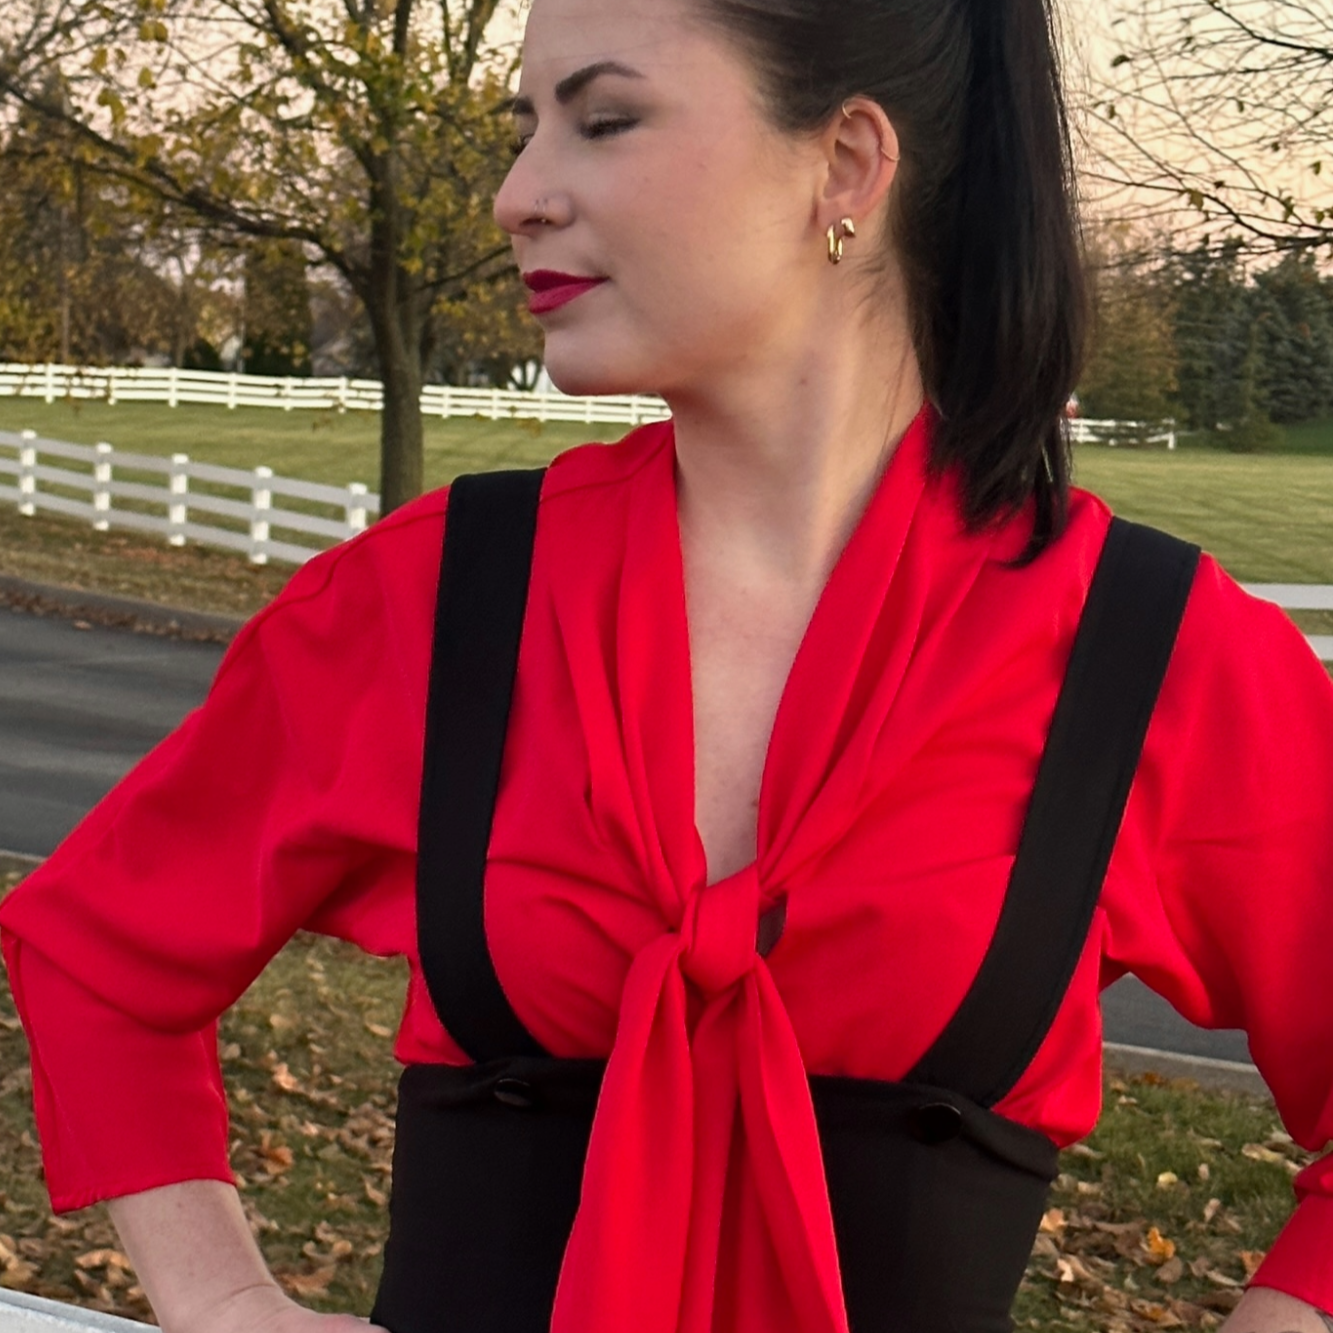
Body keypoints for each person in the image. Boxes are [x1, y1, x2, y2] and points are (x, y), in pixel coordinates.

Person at [3, 0, 1333, 1328]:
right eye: (526, 129)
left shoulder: (1149, 657)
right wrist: (227, 1302)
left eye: (603, 120)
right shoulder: (436, 599)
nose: (517, 197)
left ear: (846, 165)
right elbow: (100, 951)